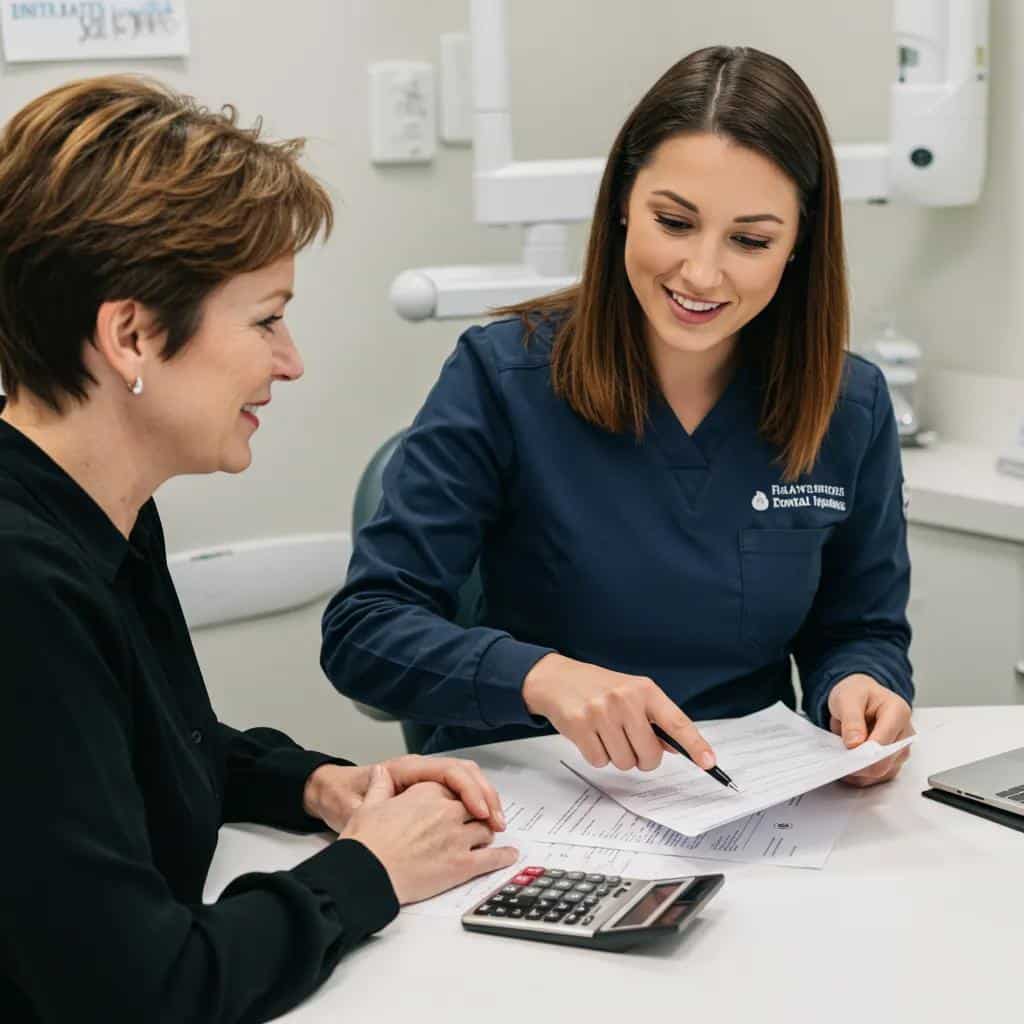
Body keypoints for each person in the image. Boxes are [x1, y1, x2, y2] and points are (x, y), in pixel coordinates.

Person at [0, 76, 516, 1024]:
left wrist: (323, 784)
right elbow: (143, 991)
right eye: (267, 318)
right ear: (132, 336)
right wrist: (370, 874)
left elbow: (137, 751)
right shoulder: (21, 586)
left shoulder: (90, 506)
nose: (292, 360)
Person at [322, 46, 914, 785]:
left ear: (799, 244)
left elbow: (861, 629)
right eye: (674, 222)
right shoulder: (504, 378)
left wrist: (859, 689)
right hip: (531, 799)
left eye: (750, 241)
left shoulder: (846, 406)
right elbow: (365, 631)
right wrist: (542, 678)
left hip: (742, 804)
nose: (701, 272)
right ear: (623, 206)